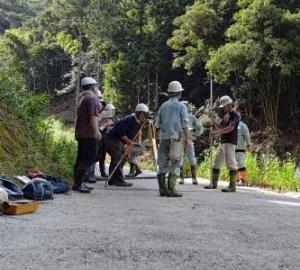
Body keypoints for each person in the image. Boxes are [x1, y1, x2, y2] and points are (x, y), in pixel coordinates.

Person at [155, 81, 191, 197]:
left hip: (164, 138)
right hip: (176, 139)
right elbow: (185, 124)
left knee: (162, 164)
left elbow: (157, 125)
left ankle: (162, 189)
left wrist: (157, 138)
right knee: (176, 163)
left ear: (170, 93)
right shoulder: (181, 106)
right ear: (179, 93)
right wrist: (188, 139)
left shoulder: (163, 106)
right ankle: (171, 189)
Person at [106, 103, 149, 186]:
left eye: (145, 114)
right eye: (142, 113)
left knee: (122, 158)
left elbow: (133, 136)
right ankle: (118, 180)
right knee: (118, 158)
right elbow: (121, 133)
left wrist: (133, 145)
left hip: (118, 141)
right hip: (112, 139)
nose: (143, 116)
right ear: (137, 113)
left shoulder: (138, 122)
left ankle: (112, 179)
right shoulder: (130, 119)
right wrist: (130, 142)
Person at [204, 95, 240, 192]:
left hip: (230, 141)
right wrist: (212, 119)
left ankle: (232, 186)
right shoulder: (226, 116)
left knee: (230, 163)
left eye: (224, 106)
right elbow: (220, 126)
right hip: (223, 142)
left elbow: (230, 128)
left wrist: (216, 133)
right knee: (217, 162)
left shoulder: (235, 115)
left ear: (229, 105)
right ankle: (214, 183)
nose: (223, 108)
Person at [73, 77, 101, 193]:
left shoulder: (83, 98)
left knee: (81, 159)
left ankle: (78, 183)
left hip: (81, 134)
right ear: (91, 86)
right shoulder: (92, 99)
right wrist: (97, 132)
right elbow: (93, 117)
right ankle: (79, 184)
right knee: (88, 158)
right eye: (95, 85)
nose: (97, 88)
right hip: (88, 135)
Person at [179, 101, 203, 185]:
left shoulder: (191, 117)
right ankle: (181, 178)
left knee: (192, 158)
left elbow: (200, 128)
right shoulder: (177, 117)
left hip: (189, 139)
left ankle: (194, 178)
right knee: (179, 158)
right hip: (179, 139)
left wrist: (195, 135)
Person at [98, 110, 114, 178]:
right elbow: (99, 129)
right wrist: (105, 125)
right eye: (107, 117)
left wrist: (109, 128)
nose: (108, 119)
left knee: (103, 157)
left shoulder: (108, 122)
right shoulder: (99, 121)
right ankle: (91, 174)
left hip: (105, 141)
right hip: (99, 141)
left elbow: (108, 131)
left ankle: (103, 172)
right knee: (97, 156)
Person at [236, 120, 251, 186]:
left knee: (240, 164)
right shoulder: (231, 124)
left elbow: (247, 135)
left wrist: (248, 144)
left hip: (240, 147)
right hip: (232, 147)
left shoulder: (242, 126)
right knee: (233, 164)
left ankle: (242, 180)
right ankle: (236, 180)